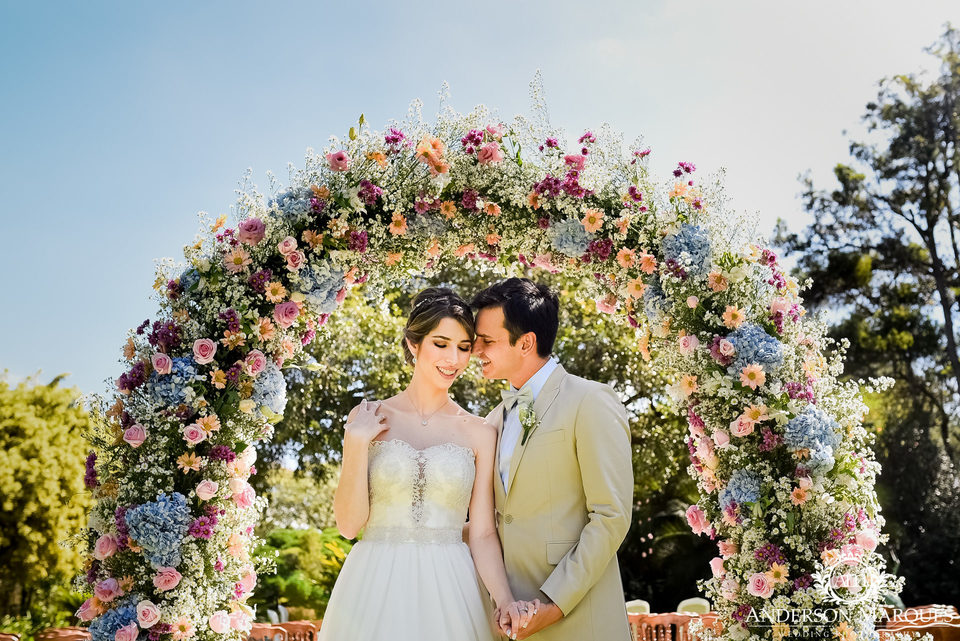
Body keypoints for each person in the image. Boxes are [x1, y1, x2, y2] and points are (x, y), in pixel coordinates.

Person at [318, 287, 536, 641]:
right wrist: (357, 443)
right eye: (441, 343)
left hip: (450, 584)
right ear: (413, 343)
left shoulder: (479, 432)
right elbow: (348, 525)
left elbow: (481, 532)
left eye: (464, 347)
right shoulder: (366, 417)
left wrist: (504, 599)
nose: (453, 358)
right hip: (374, 583)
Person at [470, 278, 634, 641]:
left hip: (578, 618)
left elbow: (611, 517)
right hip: (508, 621)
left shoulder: (590, 400)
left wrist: (553, 604)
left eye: (487, 341)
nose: (474, 350)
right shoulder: (492, 421)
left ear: (526, 342)